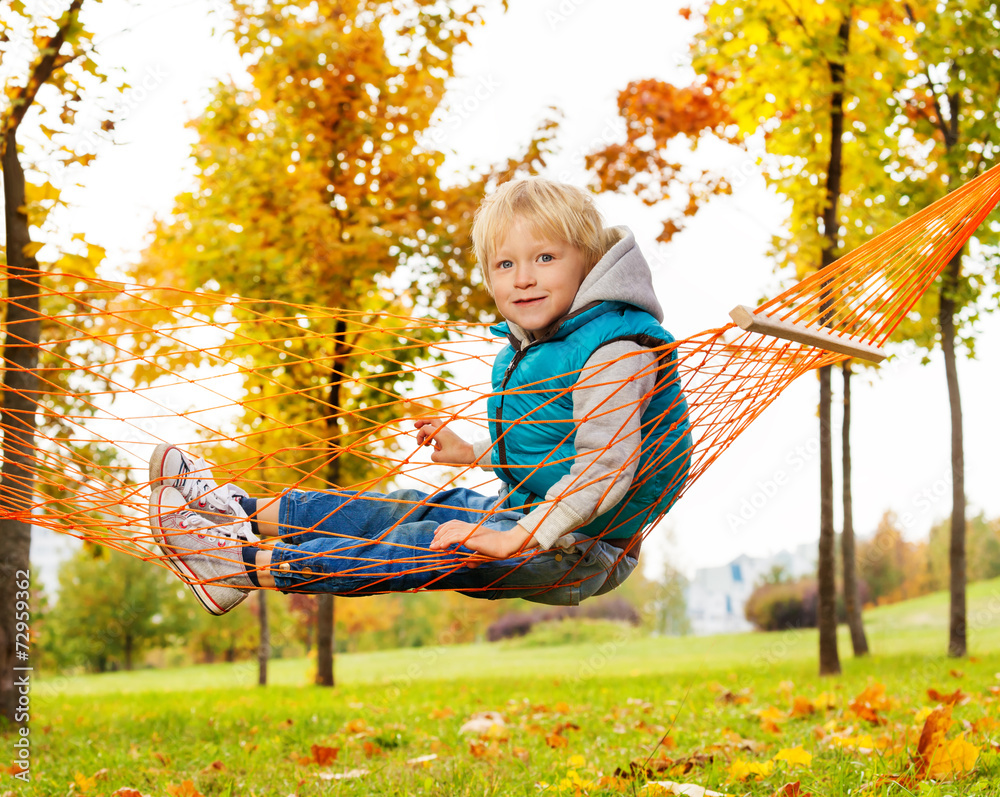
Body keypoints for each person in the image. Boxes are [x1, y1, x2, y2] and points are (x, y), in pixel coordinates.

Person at [148, 178, 692, 615]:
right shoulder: (544, 343)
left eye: (545, 258)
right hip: (530, 518)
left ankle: (238, 566)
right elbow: (552, 443)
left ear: (590, 261)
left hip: (575, 549)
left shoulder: (616, 350)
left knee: (423, 542)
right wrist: (472, 450)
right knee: (405, 504)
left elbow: (604, 469)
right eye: (505, 264)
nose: (523, 279)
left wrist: (517, 537)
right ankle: (232, 514)